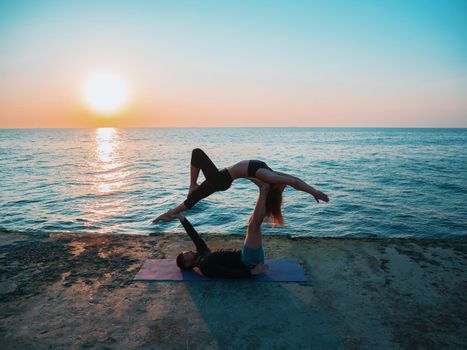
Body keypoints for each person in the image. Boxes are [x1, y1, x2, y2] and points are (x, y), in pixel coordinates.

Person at [152, 148, 329, 225]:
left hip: (221, 179)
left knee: (197, 154)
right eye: (284, 188)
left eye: (282, 188)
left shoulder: (269, 177)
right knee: (193, 199)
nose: (285, 186)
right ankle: (170, 214)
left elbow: (295, 183)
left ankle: (190, 188)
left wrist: (313, 191)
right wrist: (313, 192)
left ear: (275, 188)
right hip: (222, 180)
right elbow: (296, 180)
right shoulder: (274, 176)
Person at [172, 177, 271, 278]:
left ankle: (267, 190)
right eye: (186, 254)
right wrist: (252, 272)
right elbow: (226, 273)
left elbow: (194, 236)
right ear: (187, 264)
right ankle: (264, 189)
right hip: (248, 261)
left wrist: (181, 218)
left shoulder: (202, 253)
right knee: (253, 225)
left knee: (252, 222)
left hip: (246, 255)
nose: (188, 251)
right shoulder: (205, 267)